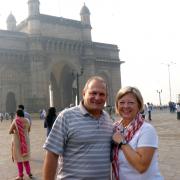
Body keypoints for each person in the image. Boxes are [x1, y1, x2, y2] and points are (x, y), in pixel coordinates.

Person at [43, 76, 113, 180]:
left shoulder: (108, 119)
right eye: (93, 93)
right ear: (84, 93)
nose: (97, 97)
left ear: (106, 97)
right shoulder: (66, 116)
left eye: (102, 94)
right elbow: (52, 155)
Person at [111, 86, 163, 180]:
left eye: (131, 103)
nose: (126, 106)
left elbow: (141, 166)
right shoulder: (114, 128)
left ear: (139, 105)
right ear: (117, 105)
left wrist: (122, 143)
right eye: (122, 102)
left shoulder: (146, 130)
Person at [9, 109, 33, 180]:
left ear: (17, 114)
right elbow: (28, 130)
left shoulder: (15, 121)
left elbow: (10, 131)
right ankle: (29, 172)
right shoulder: (27, 120)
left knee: (19, 159)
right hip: (26, 141)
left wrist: (16, 131)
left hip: (18, 141)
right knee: (25, 157)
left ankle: (20, 176)